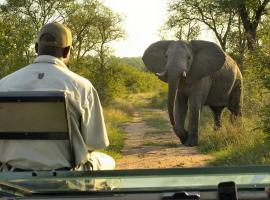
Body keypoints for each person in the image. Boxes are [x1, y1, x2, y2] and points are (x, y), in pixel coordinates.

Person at [0, 22, 115, 171]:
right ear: (67, 51)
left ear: (36, 48)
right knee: (108, 161)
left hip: (13, 175)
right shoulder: (82, 86)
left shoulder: (4, 84)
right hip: (67, 174)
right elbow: (93, 143)